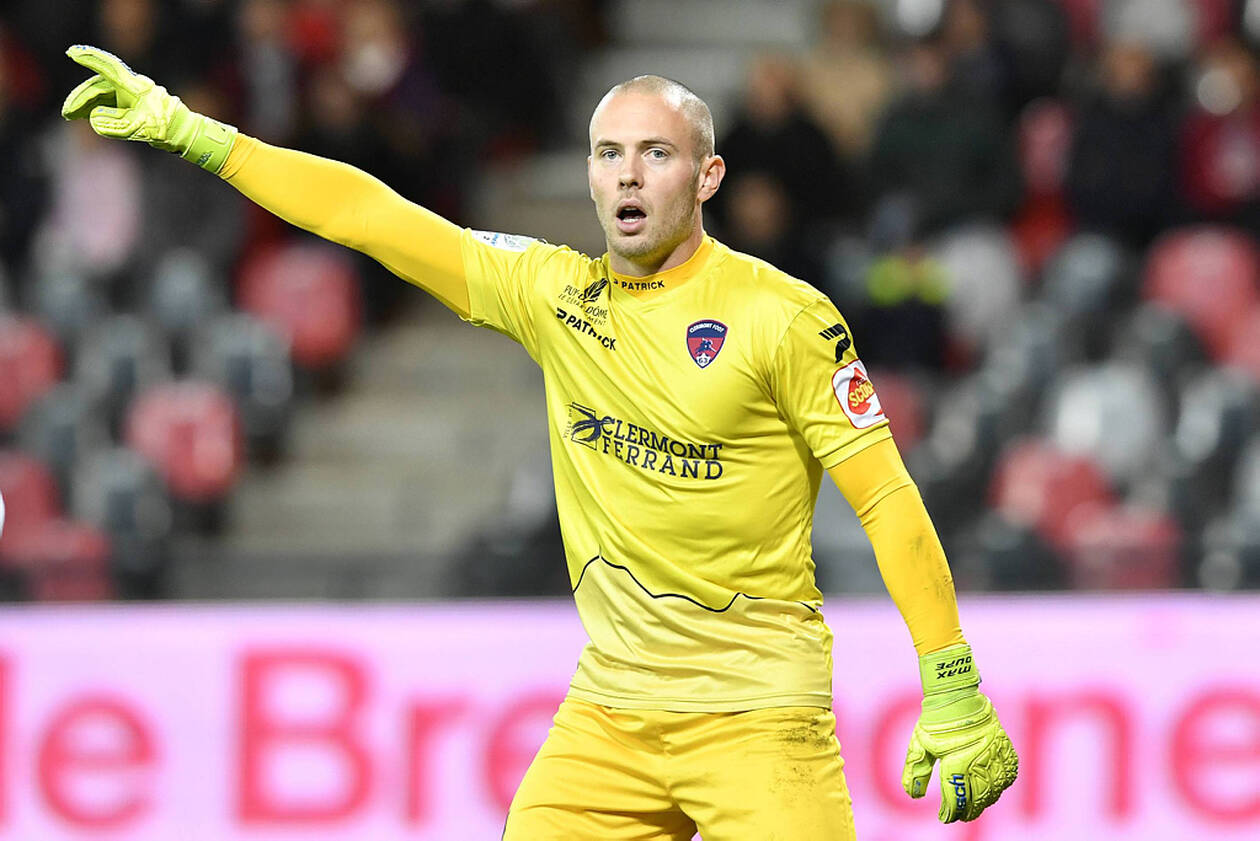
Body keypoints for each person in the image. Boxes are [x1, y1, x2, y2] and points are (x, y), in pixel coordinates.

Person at [61, 44, 1018, 840]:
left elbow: (886, 497)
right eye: (608, 153)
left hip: (758, 712)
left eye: (656, 153)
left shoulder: (785, 317)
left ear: (708, 177)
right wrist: (196, 133)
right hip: (612, 714)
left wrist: (951, 676)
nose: (627, 174)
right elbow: (371, 216)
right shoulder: (552, 293)